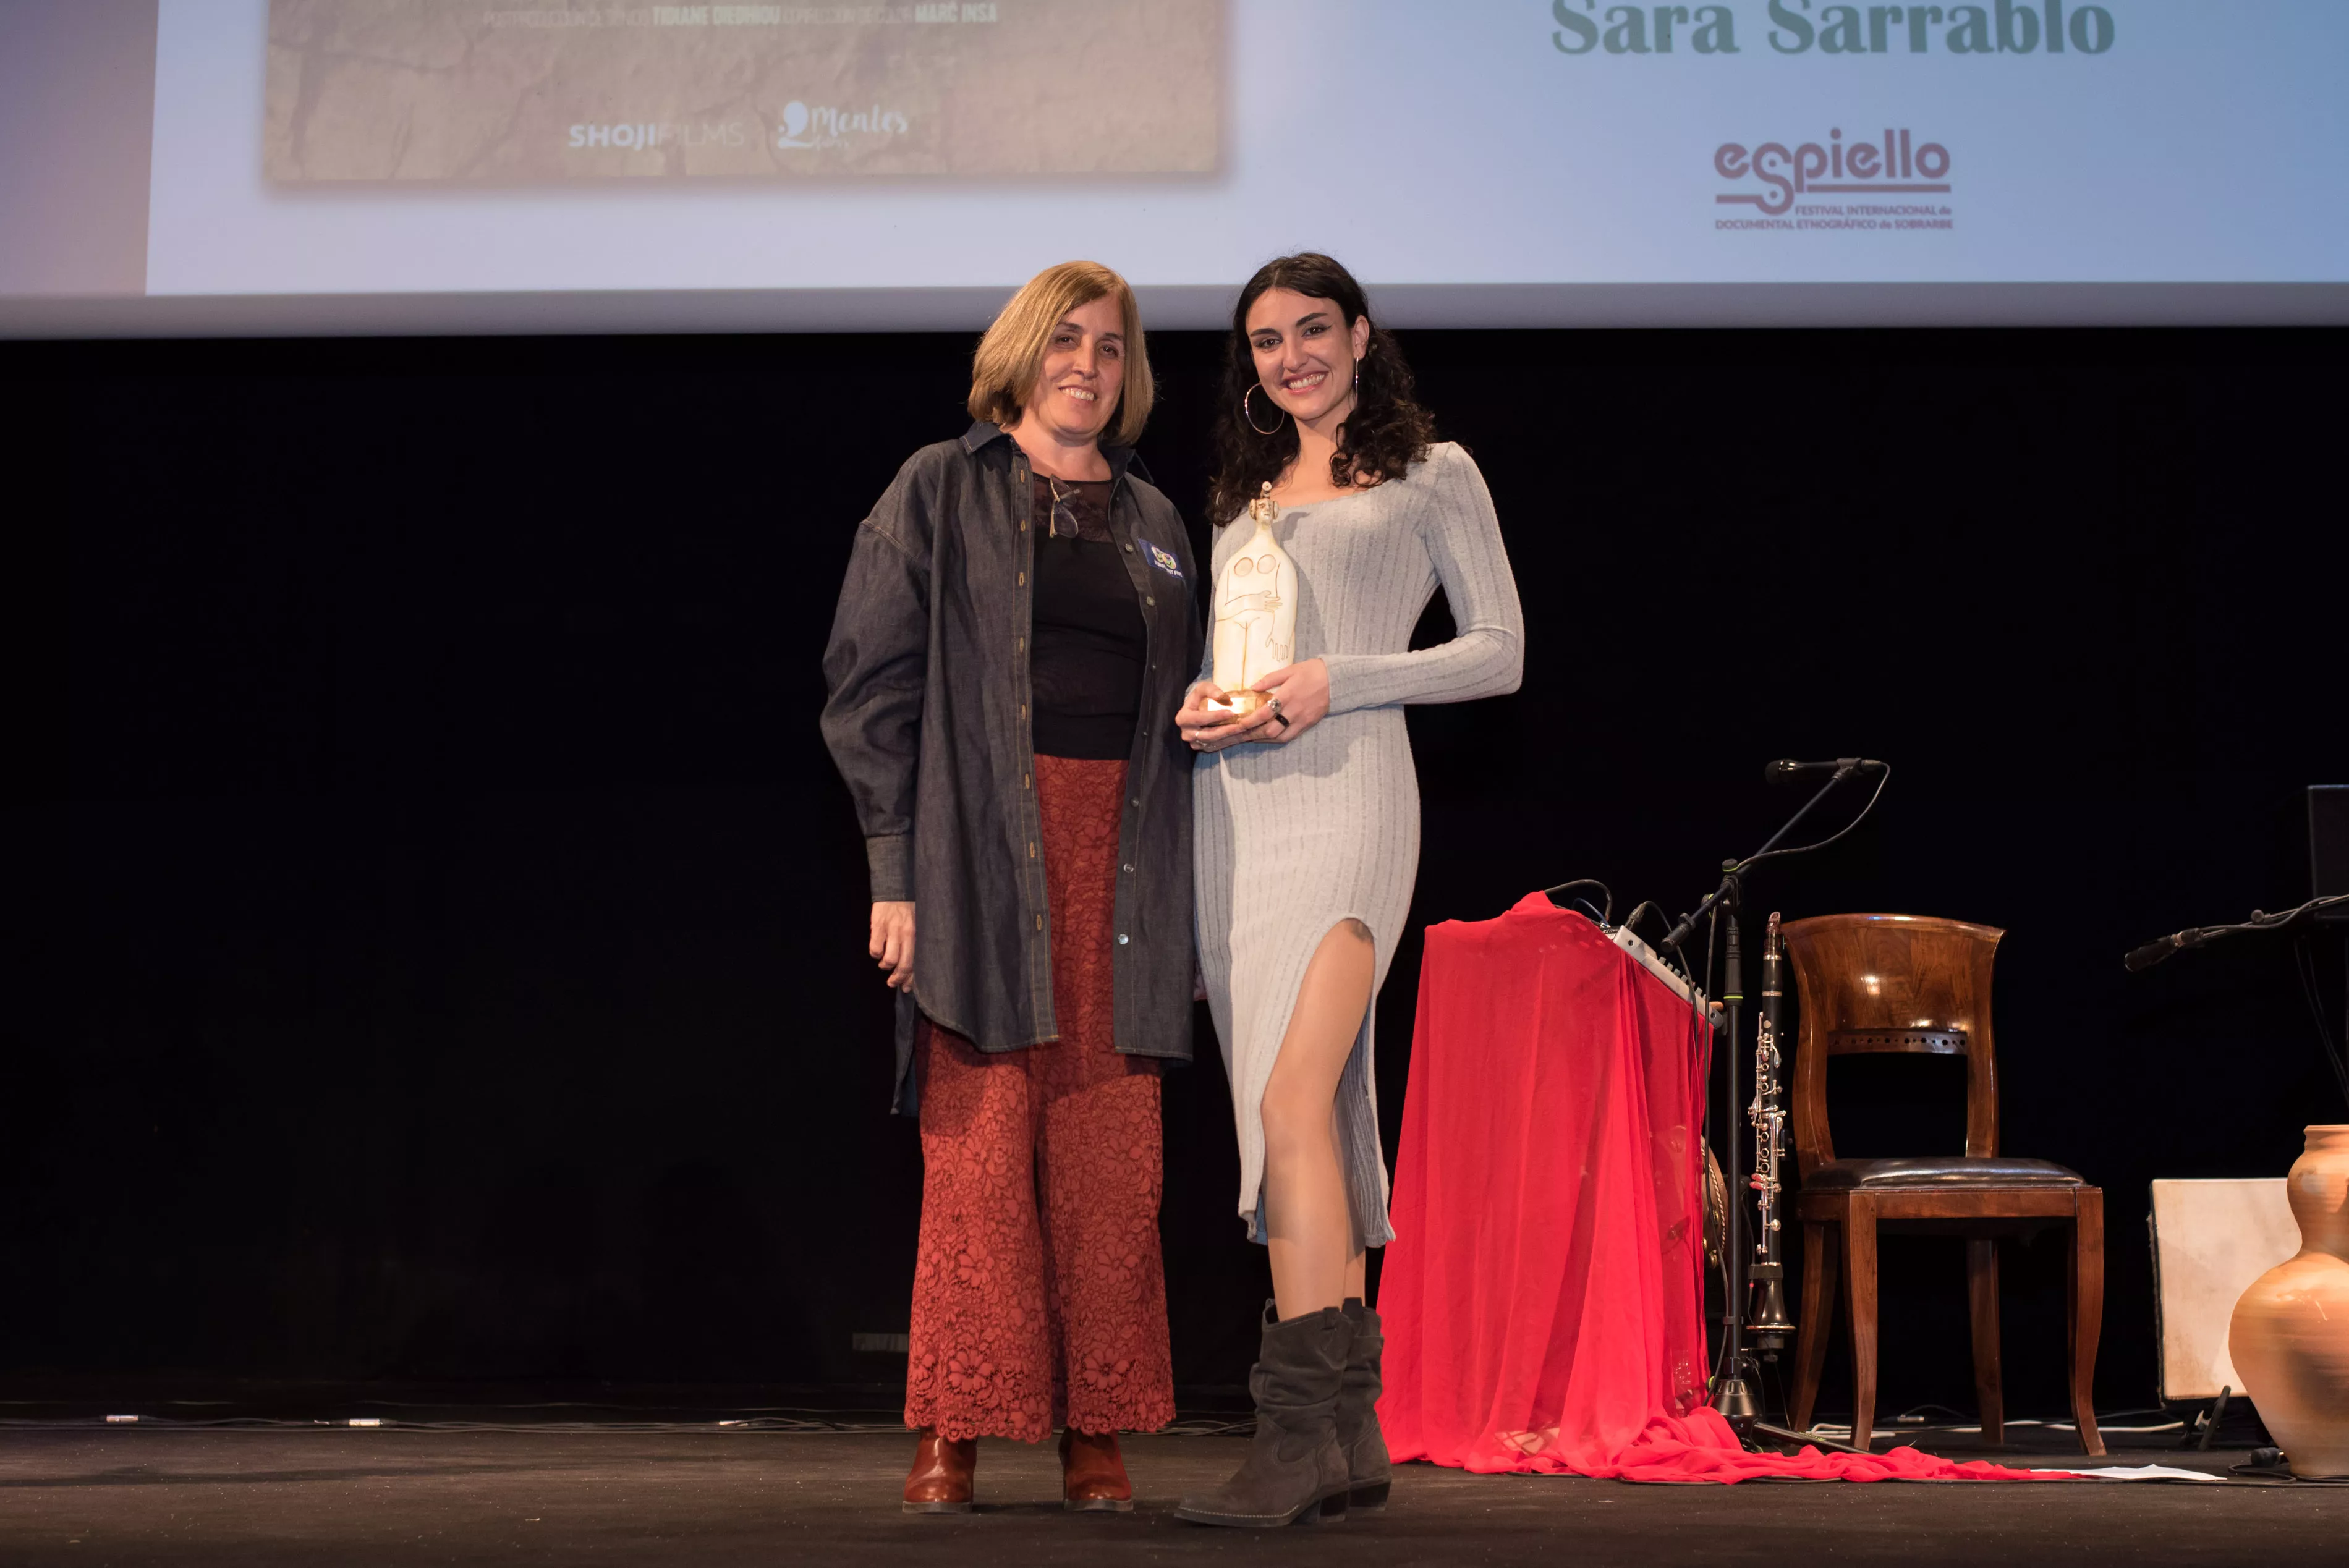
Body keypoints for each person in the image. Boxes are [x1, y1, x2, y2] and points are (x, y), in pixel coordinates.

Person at [820, 260, 1202, 1515]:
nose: (1087, 364)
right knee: (977, 1153)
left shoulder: (1154, 517)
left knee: (1110, 1155)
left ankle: (1096, 1424)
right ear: (1022, 354)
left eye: (1108, 345)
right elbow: (869, 689)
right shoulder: (939, 486)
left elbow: (1184, 704)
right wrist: (896, 871)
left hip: (1131, 855)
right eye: (1065, 342)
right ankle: (957, 1421)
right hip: (979, 846)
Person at [1173, 253, 1524, 1527]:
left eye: (1312, 330)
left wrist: (1346, 676)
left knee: (1286, 1098)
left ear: (1362, 334)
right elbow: (1241, 652)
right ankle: (1341, 1435)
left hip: (1354, 797)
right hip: (1241, 814)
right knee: (1290, 1122)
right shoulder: (1239, 494)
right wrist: (1205, 706)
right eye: (1265, 340)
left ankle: (1291, 1431)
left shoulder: (1436, 471)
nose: (1290, 356)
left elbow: (1499, 652)